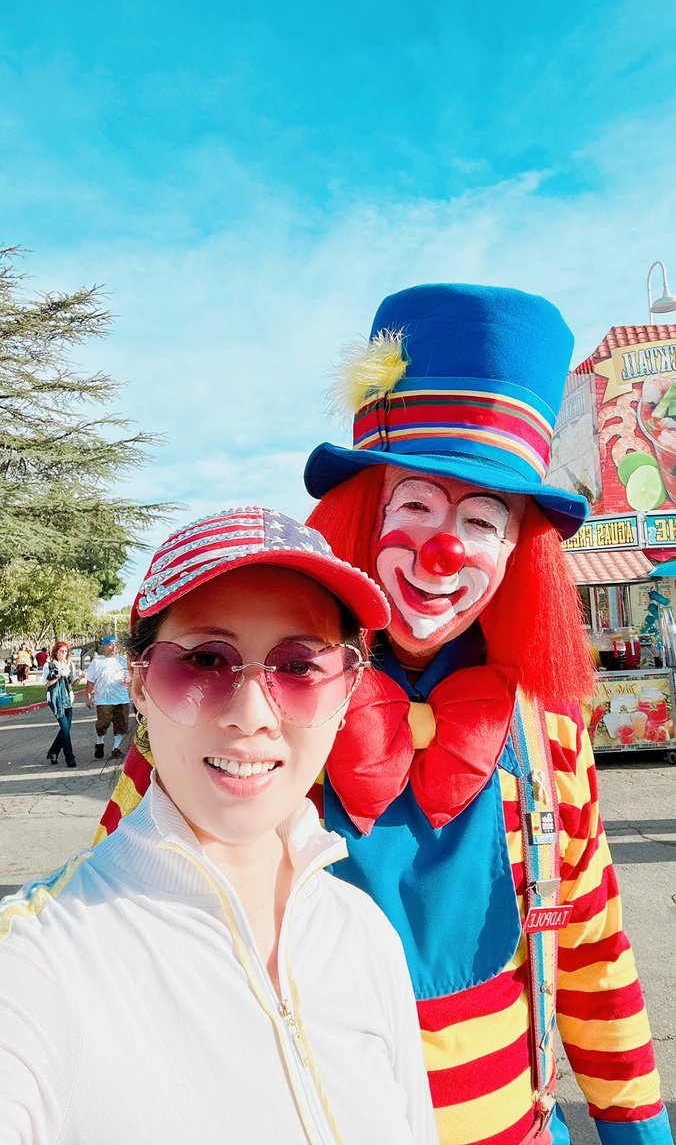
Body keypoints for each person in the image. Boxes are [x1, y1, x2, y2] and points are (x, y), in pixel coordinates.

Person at [97, 285, 673, 1145]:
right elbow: (116, 917)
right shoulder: (237, 711)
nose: (446, 550)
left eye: (483, 520)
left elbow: (590, 955)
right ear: (363, 515)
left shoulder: (544, 733)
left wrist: (638, 1132)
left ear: (518, 552)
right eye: (415, 507)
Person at [0, 507, 439, 1145]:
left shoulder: (363, 934)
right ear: (140, 683)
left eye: (299, 668)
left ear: (346, 696)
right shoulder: (38, 962)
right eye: (205, 662)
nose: (252, 714)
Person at [85, 634, 130, 759]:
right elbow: (90, 682)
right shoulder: (97, 662)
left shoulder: (122, 660)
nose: (113, 647)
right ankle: (100, 742)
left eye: (115, 645)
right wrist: (88, 696)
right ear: (104, 647)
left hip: (121, 697)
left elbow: (130, 677)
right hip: (104, 699)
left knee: (121, 723)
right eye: (110, 645)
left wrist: (128, 680)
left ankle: (116, 748)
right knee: (103, 722)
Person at [42, 641, 83, 767]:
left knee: (66, 728)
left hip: (67, 699)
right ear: (55, 652)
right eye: (61, 651)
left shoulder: (70, 665)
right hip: (55, 700)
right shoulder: (48, 665)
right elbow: (46, 684)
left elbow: (73, 683)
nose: (63, 654)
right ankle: (69, 757)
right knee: (65, 727)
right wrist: (56, 676)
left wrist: (80, 679)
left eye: (65, 651)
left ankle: (53, 752)